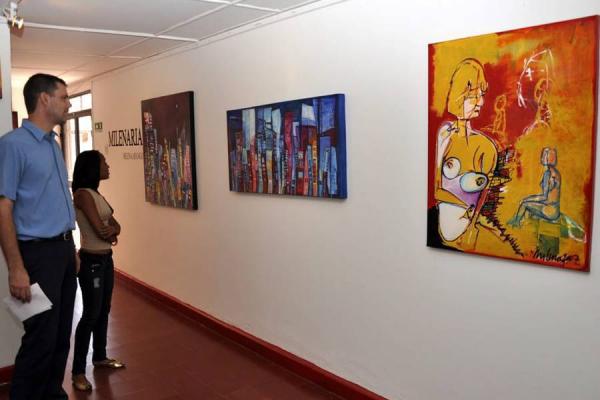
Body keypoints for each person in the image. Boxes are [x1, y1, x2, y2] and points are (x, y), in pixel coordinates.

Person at [0, 73, 76, 399]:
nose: (68, 103)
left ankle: (51, 394)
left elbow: (55, 202)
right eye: (64, 97)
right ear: (44, 99)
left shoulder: (53, 144)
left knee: (60, 335)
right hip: (37, 256)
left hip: (62, 251)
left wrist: (70, 249)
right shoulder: (13, 145)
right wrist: (16, 268)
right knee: (40, 339)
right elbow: (3, 209)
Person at [70, 150, 125, 391]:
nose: (108, 166)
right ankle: (78, 372)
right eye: (104, 162)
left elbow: (116, 225)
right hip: (91, 260)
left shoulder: (97, 194)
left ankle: (100, 356)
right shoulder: (82, 195)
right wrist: (110, 232)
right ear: (93, 167)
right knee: (91, 314)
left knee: (104, 309)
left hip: (106, 259)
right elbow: (100, 229)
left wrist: (112, 231)